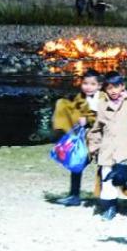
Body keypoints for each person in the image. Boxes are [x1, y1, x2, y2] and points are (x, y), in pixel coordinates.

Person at [87, 71, 127, 221]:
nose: (113, 91)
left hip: (125, 148)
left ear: (122, 86)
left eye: (116, 87)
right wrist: (94, 145)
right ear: (104, 90)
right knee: (107, 179)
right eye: (109, 88)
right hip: (107, 149)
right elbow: (97, 128)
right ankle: (110, 207)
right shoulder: (102, 106)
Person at [52, 68, 105, 207]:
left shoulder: (103, 98)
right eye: (85, 83)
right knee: (77, 163)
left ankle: (106, 198)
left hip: (101, 136)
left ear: (99, 85)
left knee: (104, 166)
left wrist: (89, 120)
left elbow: (106, 116)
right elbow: (74, 110)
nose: (88, 87)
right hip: (84, 136)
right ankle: (74, 195)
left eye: (92, 84)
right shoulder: (80, 97)